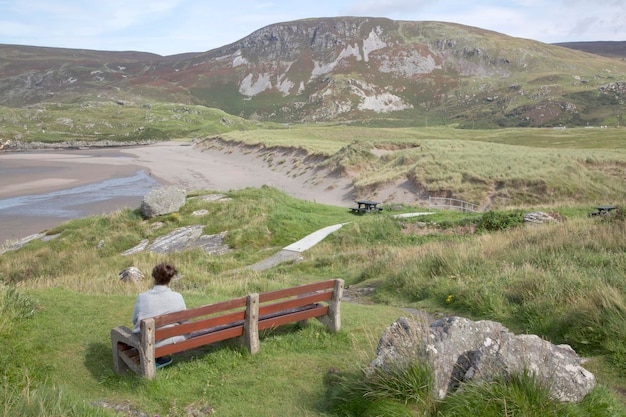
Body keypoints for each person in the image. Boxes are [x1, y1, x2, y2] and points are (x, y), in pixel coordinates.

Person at [132, 262, 186, 368]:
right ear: (170, 279)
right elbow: (184, 322)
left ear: (154, 277)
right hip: (172, 339)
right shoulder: (178, 297)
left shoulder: (142, 297)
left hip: (148, 342)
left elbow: (135, 320)